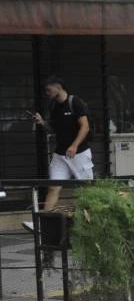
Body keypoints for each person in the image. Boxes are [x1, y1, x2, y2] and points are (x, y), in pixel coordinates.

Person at [23, 76, 93, 230]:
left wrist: (74, 146)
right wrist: (42, 123)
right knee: (53, 187)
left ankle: (88, 223)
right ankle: (42, 224)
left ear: (58, 87)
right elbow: (53, 129)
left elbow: (85, 127)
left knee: (86, 189)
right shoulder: (54, 106)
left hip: (79, 153)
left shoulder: (75, 102)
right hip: (60, 155)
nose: (46, 93)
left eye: (48, 89)